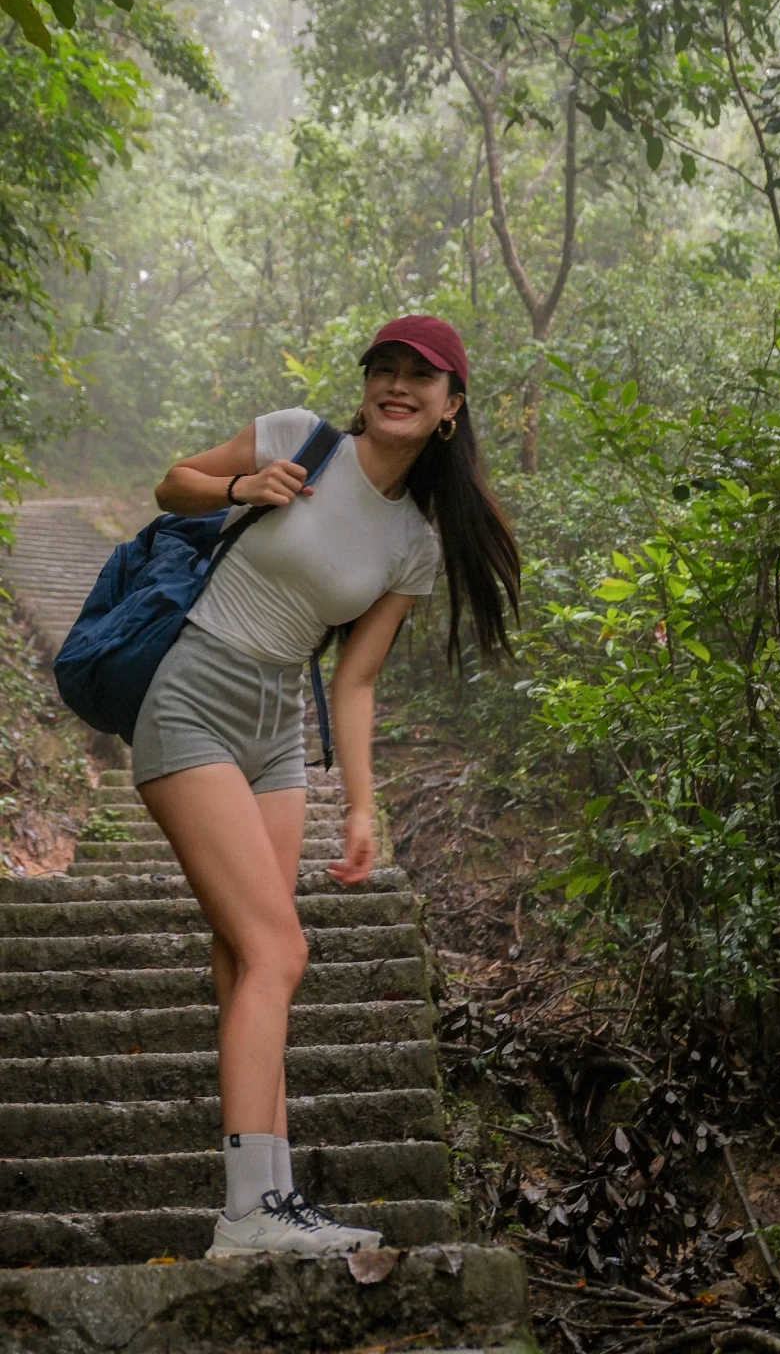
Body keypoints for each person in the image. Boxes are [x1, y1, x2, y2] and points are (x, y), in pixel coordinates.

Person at [136, 315, 520, 1258]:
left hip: (277, 728)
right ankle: (247, 1215)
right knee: (281, 951)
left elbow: (354, 680)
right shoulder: (296, 437)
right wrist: (242, 486)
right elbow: (171, 483)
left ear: (450, 408)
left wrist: (360, 805)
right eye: (385, 369)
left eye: (420, 378)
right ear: (367, 387)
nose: (398, 385)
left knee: (245, 957)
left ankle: (271, 1198)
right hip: (191, 690)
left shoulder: (413, 544)